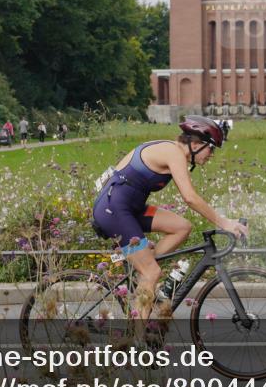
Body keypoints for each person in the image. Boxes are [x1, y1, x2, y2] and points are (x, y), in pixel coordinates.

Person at [91, 115, 248, 322]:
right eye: (211, 148)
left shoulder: (172, 150)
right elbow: (190, 198)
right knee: (151, 273)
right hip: (113, 210)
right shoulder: (173, 153)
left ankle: (143, 270)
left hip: (127, 208)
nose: (211, 155)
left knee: (182, 227)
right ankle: (138, 342)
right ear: (195, 144)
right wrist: (225, 223)